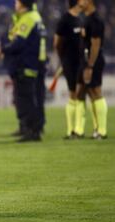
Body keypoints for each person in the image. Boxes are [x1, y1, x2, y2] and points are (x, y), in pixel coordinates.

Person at [0, 0, 47, 142]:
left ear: (23, 4)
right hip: (31, 64)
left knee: (27, 99)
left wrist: (4, 49)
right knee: (28, 98)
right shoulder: (32, 17)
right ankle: (30, 129)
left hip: (27, 64)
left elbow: (19, 43)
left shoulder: (28, 18)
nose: (15, 4)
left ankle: (32, 131)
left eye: (17, 2)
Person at [74, 0, 107, 139]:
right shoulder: (86, 19)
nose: (78, 2)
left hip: (92, 62)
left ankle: (101, 131)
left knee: (96, 92)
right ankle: (79, 130)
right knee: (80, 92)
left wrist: (90, 66)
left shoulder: (95, 21)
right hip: (84, 61)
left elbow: (96, 45)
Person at [54, 0, 84, 139]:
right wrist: (63, 59)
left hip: (82, 61)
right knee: (74, 94)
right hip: (70, 62)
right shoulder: (65, 20)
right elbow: (56, 43)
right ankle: (71, 130)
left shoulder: (81, 18)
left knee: (80, 94)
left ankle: (78, 130)